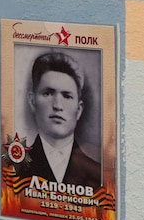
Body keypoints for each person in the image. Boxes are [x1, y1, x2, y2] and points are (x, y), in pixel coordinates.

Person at [9, 51, 102, 187]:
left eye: (67, 96)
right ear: (32, 102)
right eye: (48, 93)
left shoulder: (98, 175)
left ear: (79, 109)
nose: (57, 105)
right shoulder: (12, 170)